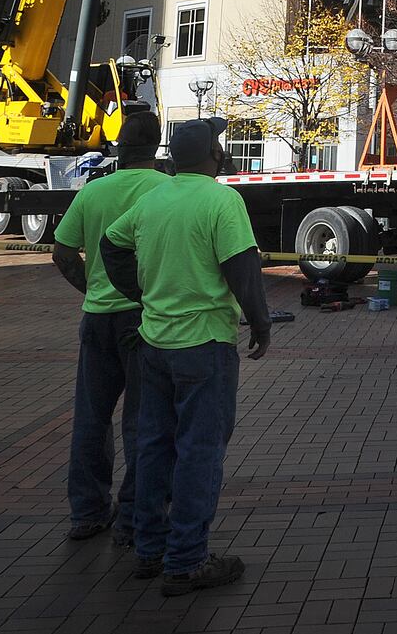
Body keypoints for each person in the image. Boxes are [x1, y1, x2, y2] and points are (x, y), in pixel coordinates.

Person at [101, 116, 270, 596]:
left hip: (154, 344)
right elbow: (241, 265)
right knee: (200, 452)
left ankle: (148, 550)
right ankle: (186, 561)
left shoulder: (152, 199)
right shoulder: (222, 199)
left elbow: (111, 244)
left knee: (154, 447)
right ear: (215, 157)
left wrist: (139, 290)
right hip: (205, 348)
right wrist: (259, 321)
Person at [51, 109, 168, 544]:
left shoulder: (93, 192)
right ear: (157, 147)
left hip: (97, 319)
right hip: (144, 321)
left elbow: (62, 253)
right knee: (143, 421)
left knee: (91, 419)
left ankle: (87, 512)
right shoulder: (165, 190)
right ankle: (136, 515)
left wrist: (91, 289)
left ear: (119, 145)